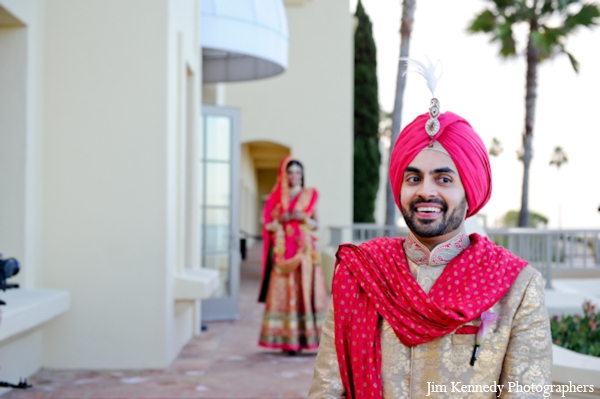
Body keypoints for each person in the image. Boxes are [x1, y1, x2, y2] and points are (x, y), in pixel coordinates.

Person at [309, 85, 552, 397]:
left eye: (444, 179)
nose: (426, 191)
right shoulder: (363, 273)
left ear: (470, 190)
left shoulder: (517, 286)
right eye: (413, 178)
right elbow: (327, 388)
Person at [258, 155, 329, 355]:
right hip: (283, 254)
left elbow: (316, 225)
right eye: (290, 172)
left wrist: (303, 217)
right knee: (286, 293)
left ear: (302, 175)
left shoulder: (309, 195)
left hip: (304, 253)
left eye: (298, 172)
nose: (294, 176)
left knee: (303, 292)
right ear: (284, 174)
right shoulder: (275, 198)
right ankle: (286, 340)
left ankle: (306, 338)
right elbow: (267, 226)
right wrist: (279, 220)